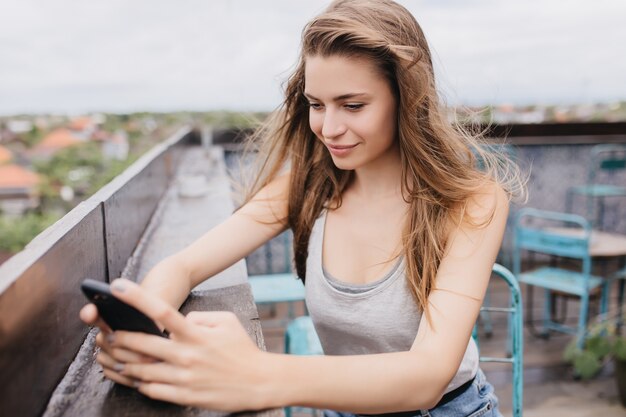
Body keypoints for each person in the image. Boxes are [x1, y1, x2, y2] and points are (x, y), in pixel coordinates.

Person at [80, 0, 525, 416]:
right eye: (316, 105)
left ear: (406, 98)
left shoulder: (472, 202)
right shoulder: (308, 187)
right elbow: (183, 266)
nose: (329, 128)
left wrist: (258, 373)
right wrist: (144, 329)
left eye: (352, 105)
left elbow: (427, 375)